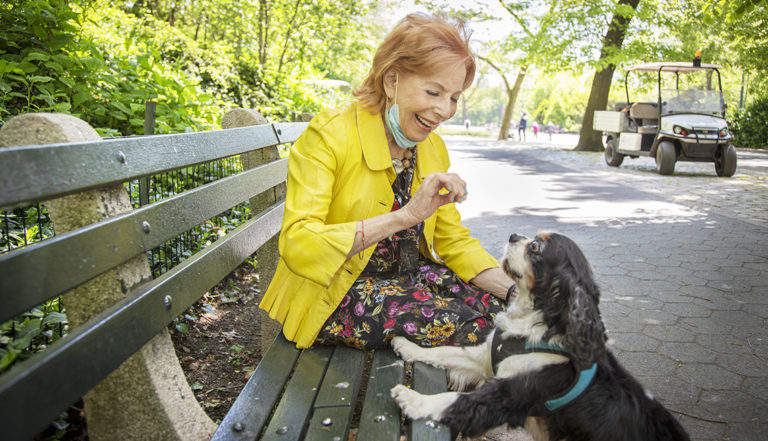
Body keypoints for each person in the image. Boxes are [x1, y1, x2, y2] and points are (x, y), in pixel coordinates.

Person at [259, 13, 516, 350]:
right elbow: (298, 243)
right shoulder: (330, 134)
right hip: (338, 291)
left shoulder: (432, 147)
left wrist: (515, 291)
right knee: (478, 331)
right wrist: (406, 216)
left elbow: (453, 241)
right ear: (391, 81)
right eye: (433, 91)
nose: (444, 110)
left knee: (511, 315)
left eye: (453, 97)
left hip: (410, 281)